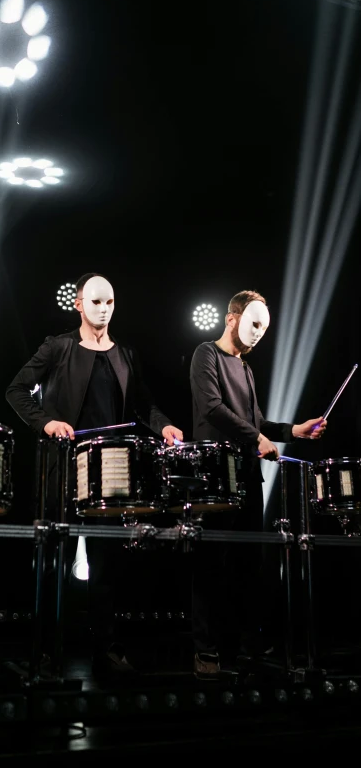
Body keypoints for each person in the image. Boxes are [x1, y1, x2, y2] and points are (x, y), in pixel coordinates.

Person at [6, 273, 183, 678]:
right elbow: (16, 390)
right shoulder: (59, 347)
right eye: (96, 301)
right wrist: (46, 422)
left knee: (107, 566)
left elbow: (144, 406)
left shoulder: (126, 355)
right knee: (57, 560)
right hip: (65, 466)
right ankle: (48, 649)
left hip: (111, 471)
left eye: (110, 302)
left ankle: (106, 648)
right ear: (80, 304)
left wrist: (165, 426)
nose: (103, 309)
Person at [189, 289, 326, 680]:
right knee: (210, 564)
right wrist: (256, 439)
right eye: (253, 324)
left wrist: (294, 431)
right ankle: (206, 651)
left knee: (247, 564)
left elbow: (256, 421)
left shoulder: (246, 370)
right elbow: (213, 408)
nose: (258, 334)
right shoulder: (206, 355)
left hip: (247, 475)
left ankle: (238, 649)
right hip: (215, 473)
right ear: (231, 318)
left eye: (264, 329)